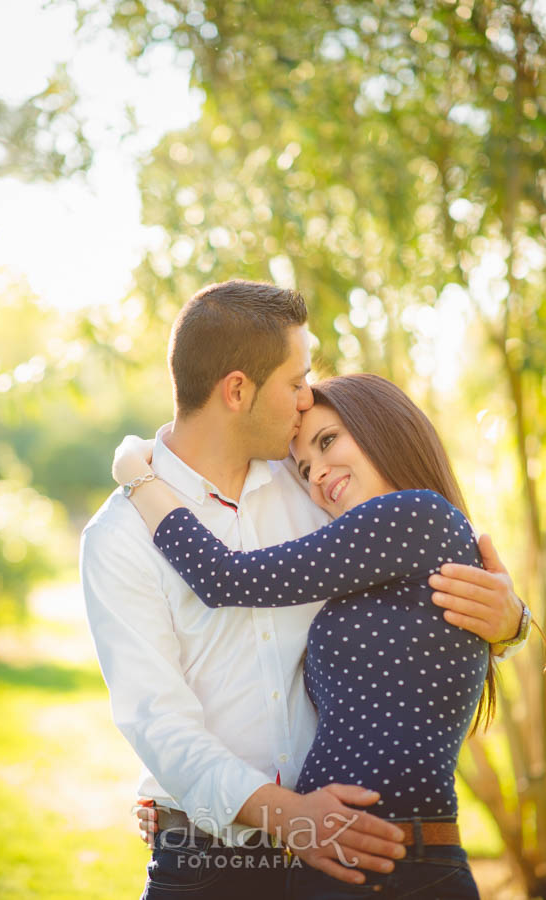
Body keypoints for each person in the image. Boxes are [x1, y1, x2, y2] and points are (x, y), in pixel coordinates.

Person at [81, 280, 526, 899]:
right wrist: (258, 811)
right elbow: (157, 721)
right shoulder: (120, 537)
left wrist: (511, 622)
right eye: (297, 381)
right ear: (237, 390)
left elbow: (414, 606)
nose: (307, 396)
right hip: (213, 863)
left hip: (348, 850)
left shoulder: (318, 495)